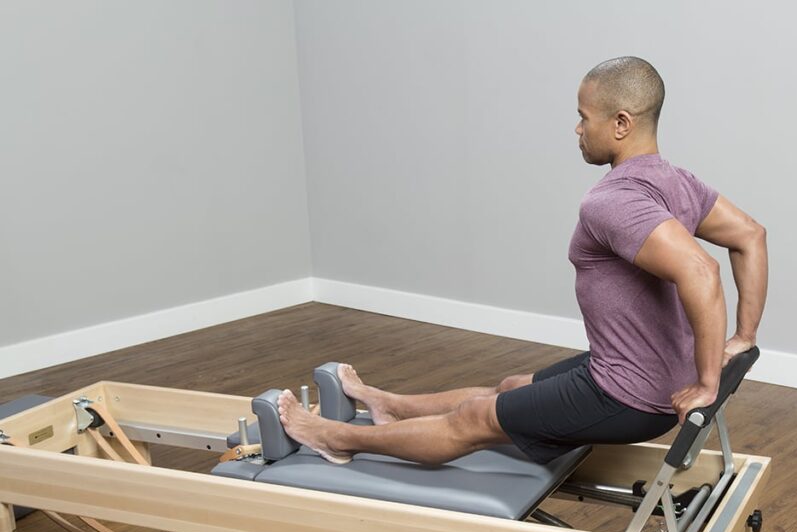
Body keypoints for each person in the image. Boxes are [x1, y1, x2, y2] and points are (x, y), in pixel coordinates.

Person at [277, 56, 768, 466]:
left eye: (585, 116)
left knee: (474, 421)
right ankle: (390, 406)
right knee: (510, 387)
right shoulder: (678, 181)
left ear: (621, 123)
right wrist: (743, 337)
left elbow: (701, 271)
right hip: (637, 369)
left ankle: (335, 439)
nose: (577, 129)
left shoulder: (613, 200)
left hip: (629, 394)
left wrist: (707, 384)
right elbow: (750, 235)